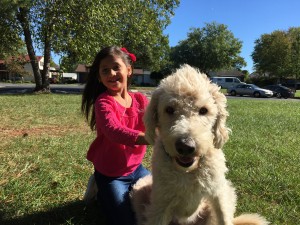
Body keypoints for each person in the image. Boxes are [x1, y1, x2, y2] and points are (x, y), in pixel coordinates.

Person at [81, 46, 150, 225]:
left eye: (116, 67)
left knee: (158, 203)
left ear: (128, 70)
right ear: (99, 77)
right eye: (105, 70)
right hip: (111, 173)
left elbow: (158, 120)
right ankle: (101, 192)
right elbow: (114, 131)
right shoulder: (103, 102)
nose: (111, 73)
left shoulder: (141, 100)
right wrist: (148, 138)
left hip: (136, 169)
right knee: (125, 220)